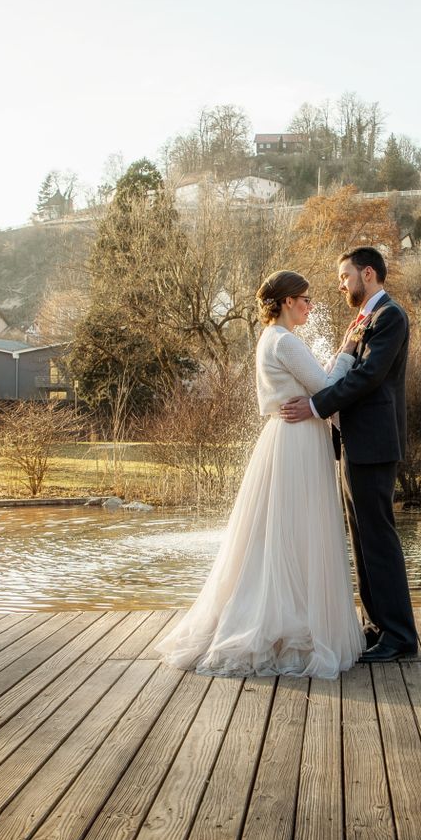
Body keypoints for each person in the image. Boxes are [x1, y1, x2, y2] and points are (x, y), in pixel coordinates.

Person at [156, 270, 364, 678]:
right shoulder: (284, 340)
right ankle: (286, 628)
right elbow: (323, 387)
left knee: (279, 533)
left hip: (286, 440)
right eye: (305, 298)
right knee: (298, 531)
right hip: (298, 442)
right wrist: (346, 351)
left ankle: (284, 620)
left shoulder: (271, 339)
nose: (310, 305)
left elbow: (308, 387)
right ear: (287, 301)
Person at [280, 246, 415, 662]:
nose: (341, 284)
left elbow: (369, 376)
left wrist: (316, 407)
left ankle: (400, 637)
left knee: (379, 539)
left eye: (345, 276)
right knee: (361, 540)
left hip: (374, 443)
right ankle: (376, 628)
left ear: (368, 273)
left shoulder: (389, 316)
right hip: (356, 443)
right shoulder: (361, 320)